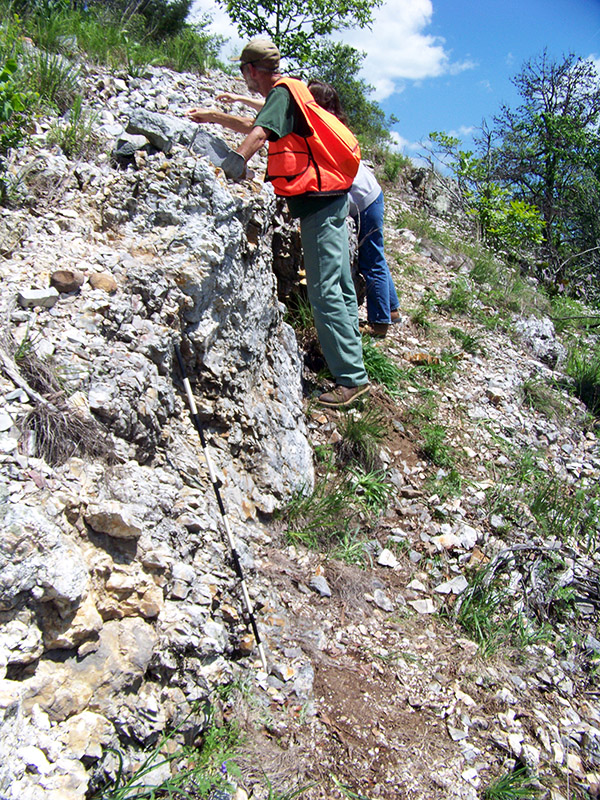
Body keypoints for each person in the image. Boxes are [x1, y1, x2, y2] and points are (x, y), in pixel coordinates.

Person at [185, 39, 369, 408]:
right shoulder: (293, 93)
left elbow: (261, 132)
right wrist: (217, 117)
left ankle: (350, 379)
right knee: (341, 287)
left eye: (244, 72)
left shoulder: (282, 94)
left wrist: (236, 161)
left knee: (325, 291)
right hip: (330, 199)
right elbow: (259, 124)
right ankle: (353, 366)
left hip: (319, 203)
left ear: (252, 70)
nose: (245, 80)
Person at [307, 80, 401, 339]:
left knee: (371, 260)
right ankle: (391, 310)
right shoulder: (333, 125)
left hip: (364, 202)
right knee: (376, 254)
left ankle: (380, 323)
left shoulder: (319, 127)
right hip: (370, 195)